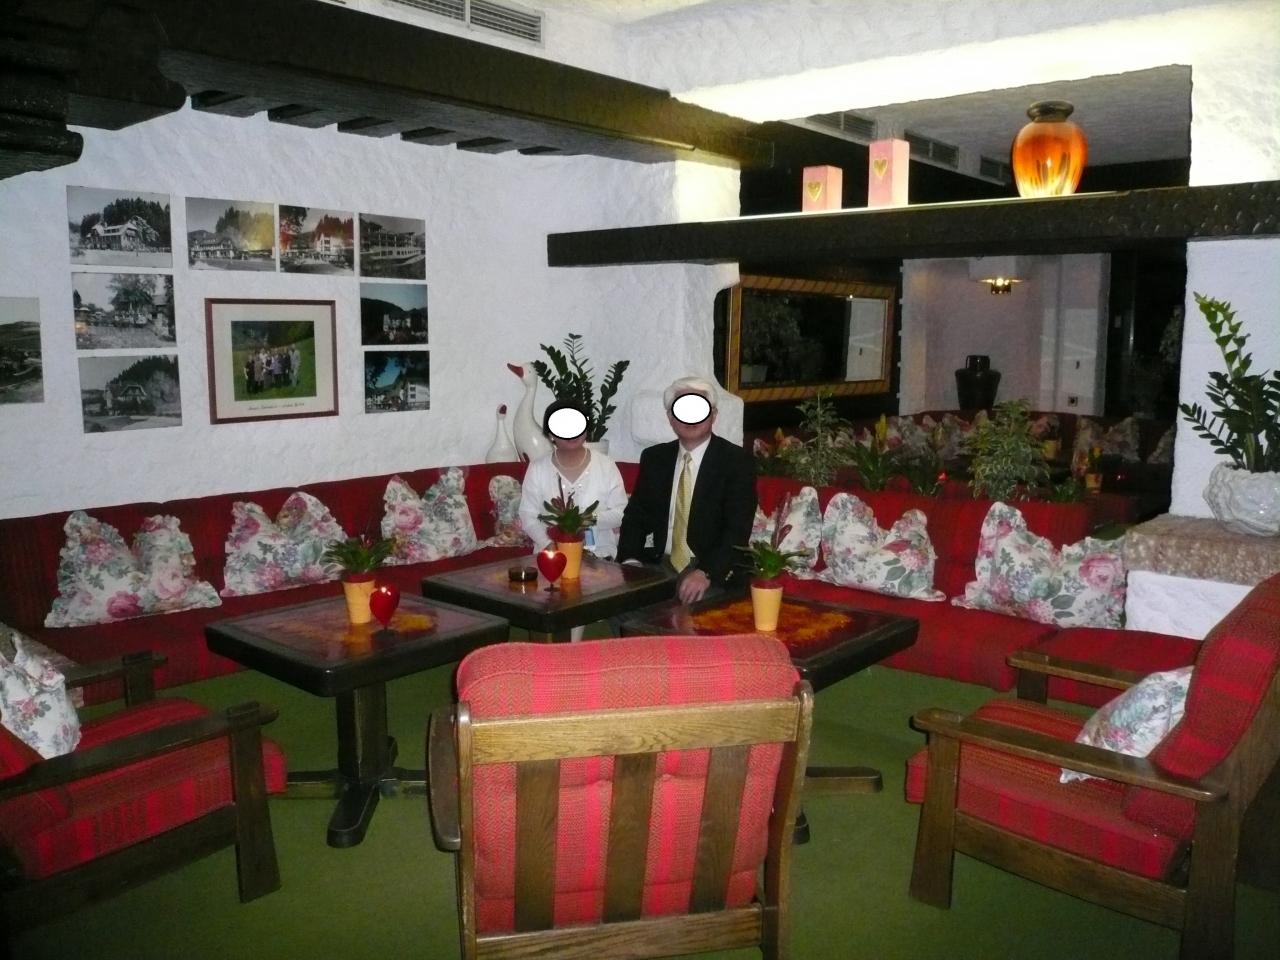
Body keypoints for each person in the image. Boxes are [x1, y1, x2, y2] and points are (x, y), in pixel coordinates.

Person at [617, 376, 756, 604]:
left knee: (685, 613)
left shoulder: (736, 461)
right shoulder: (655, 458)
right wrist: (630, 561)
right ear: (670, 418)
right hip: (660, 563)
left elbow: (737, 529)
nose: (690, 418)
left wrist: (706, 572)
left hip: (710, 567)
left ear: (713, 415)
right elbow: (635, 516)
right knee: (617, 607)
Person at [518, 399, 628, 560]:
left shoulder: (606, 465)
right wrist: (549, 544)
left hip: (599, 554)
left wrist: (587, 519)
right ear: (550, 434)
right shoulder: (537, 468)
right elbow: (528, 515)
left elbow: (621, 513)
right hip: (551, 555)